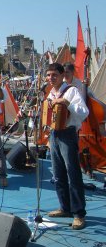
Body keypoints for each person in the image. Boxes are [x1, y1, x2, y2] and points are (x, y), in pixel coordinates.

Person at [45, 63, 89, 230]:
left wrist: (67, 103)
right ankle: (65, 207)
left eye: (54, 75)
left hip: (68, 134)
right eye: (48, 75)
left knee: (73, 173)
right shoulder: (50, 93)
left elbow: (84, 112)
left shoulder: (71, 91)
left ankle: (78, 213)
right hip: (54, 134)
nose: (51, 78)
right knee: (58, 173)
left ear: (62, 75)